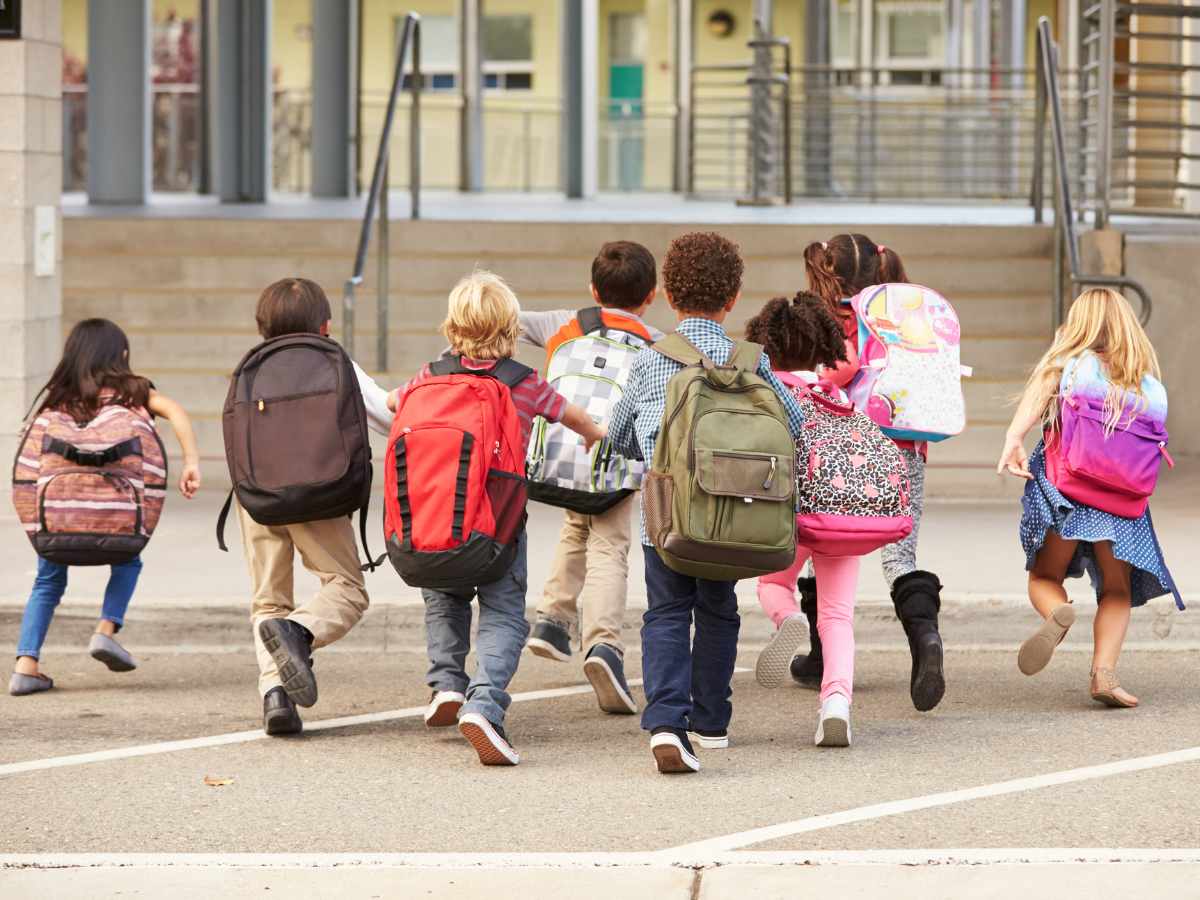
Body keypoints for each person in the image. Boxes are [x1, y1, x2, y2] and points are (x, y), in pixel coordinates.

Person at [608, 232, 806, 774]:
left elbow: (619, 434)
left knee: (666, 612)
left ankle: (668, 722)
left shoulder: (653, 361)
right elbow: (797, 425)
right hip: (734, 515)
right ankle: (712, 722)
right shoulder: (752, 362)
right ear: (733, 296)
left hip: (668, 519)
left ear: (669, 296)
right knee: (718, 611)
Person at [394, 270, 605, 766]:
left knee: (444, 599)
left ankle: (446, 683)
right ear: (511, 328)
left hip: (437, 521)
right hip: (498, 529)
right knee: (504, 612)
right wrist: (595, 434)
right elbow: (572, 416)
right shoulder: (523, 383)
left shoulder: (430, 376)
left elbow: (391, 402)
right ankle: (484, 704)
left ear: (452, 326)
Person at [997, 288, 1180, 708]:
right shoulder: (1145, 383)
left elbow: (1039, 391)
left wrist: (1013, 439)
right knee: (1117, 590)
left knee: (1045, 577)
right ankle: (1105, 675)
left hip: (1068, 491)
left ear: (1078, 324)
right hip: (1123, 502)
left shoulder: (1069, 366)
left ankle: (1056, 612)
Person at [234, 278, 394, 736]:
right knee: (346, 589)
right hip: (319, 495)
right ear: (325, 325)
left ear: (262, 324)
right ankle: (299, 633)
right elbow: (388, 417)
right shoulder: (334, 361)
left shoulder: (251, 367)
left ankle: (275, 696)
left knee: (268, 601)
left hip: (257, 497)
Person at [9, 318, 202, 696]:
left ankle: (26, 665)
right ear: (121, 355)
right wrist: (191, 461)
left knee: (47, 580)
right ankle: (106, 629)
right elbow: (177, 412)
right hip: (117, 518)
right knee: (128, 560)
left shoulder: (56, 397)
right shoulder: (134, 392)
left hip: (60, 518)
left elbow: (29, 463)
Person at [797, 234, 946, 713]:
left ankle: (823, 656)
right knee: (900, 557)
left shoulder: (832, 321)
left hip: (845, 449)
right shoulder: (903, 318)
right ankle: (925, 638)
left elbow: (832, 373)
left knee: (825, 543)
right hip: (904, 447)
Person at [520, 240, 663, 715]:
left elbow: (508, 319)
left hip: (560, 454)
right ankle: (603, 646)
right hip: (614, 458)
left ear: (592, 289)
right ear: (651, 295)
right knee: (609, 548)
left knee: (575, 523)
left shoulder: (564, 324)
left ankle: (553, 619)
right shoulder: (656, 342)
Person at [747, 294, 863, 746]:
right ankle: (836, 703)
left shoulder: (764, 390)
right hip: (838, 517)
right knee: (837, 616)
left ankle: (789, 617)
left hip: (785, 515)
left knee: (773, 584)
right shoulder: (836, 395)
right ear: (821, 346)